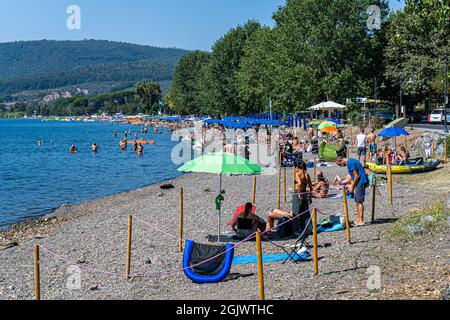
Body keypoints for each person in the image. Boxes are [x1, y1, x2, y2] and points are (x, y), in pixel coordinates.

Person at [336, 156, 369, 226]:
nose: (342, 166)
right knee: (357, 201)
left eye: (340, 164)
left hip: (360, 182)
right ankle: (359, 219)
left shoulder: (349, 163)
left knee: (359, 201)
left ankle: (361, 221)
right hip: (359, 182)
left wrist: (352, 187)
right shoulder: (351, 161)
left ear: (341, 160)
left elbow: (356, 176)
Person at [292, 161, 313, 233]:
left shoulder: (297, 174)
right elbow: (310, 186)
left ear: (297, 167)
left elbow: (299, 183)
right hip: (305, 193)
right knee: (306, 211)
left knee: (296, 211)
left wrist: (298, 193)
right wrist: (310, 196)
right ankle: (309, 228)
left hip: (298, 193)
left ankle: (297, 230)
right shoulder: (307, 174)